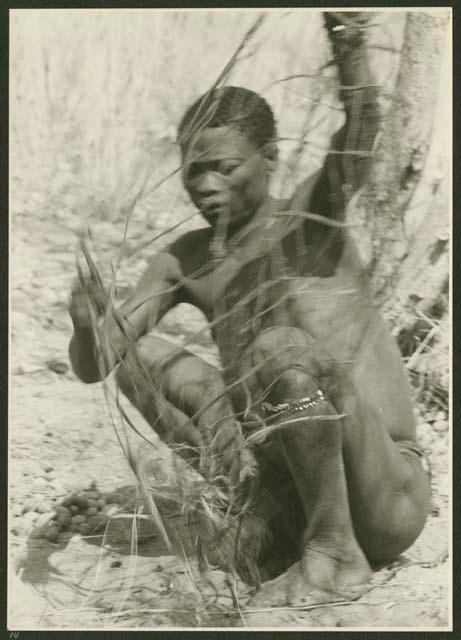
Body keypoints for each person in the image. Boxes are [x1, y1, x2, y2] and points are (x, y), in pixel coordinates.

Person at [68, 86, 430, 606]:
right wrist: (86, 325)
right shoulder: (184, 258)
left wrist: (349, 41)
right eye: (193, 172)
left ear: (271, 157)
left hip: (383, 491)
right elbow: (96, 364)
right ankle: (263, 518)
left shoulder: (309, 219)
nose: (205, 187)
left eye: (224, 167)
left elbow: (361, 130)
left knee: (277, 347)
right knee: (138, 356)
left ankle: (336, 552)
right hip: (290, 491)